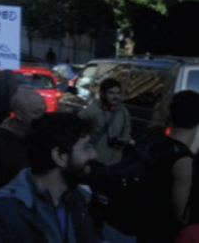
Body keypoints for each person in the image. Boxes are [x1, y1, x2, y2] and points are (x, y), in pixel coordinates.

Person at [0, 112, 101, 243]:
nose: (94, 155)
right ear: (59, 156)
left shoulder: (77, 199)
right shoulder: (8, 214)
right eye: (86, 147)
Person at [0, 88, 47, 229]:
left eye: (44, 110)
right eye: (37, 112)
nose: (42, 116)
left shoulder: (46, 138)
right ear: (19, 115)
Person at [137, 90, 199, 242]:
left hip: (143, 229)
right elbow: (181, 216)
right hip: (164, 235)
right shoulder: (183, 161)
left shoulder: (154, 142)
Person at [78, 78, 132, 166]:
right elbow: (75, 124)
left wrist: (123, 140)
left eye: (118, 93)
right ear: (103, 94)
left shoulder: (123, 111)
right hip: (97, 160)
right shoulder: (93, 110)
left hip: (116, 160)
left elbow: (127, 130)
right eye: (111, 93)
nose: (116, 96)